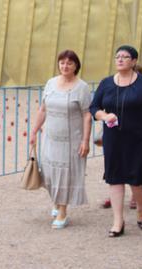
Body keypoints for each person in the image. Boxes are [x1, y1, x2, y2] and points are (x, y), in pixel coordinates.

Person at [90, 45, 142, 237]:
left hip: (140, 139)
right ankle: (118, 221)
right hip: (114, 139)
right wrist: (104, 117)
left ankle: (141, 208)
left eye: (125, 57)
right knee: (114, 178)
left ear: (134, 61)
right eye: (118, 57)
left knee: (137, 180)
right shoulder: (106, 83)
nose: (120, 59)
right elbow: (94, 107)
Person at [30, 50, 92, 229]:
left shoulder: (82, 87)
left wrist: (85, 141)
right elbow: (43, 109)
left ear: (76, 66)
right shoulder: (50, 83)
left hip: (71, 140)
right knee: (49, 173)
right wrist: (34, 131)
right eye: (62, 62)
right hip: (50, 138)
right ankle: (56, 202)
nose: (65, 66)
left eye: (69, 63)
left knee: (65, 175)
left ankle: (63, 210)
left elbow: (87, 115)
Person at [101, 64, 142, 210]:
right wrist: (106, 116)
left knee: (135, 171)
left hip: (136, 137)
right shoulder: (110, 85)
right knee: (114, 172)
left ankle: (138, 202)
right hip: (115, 136)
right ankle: (116, 210)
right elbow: (96, 107)